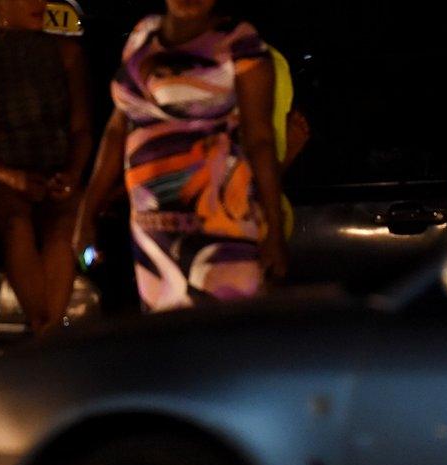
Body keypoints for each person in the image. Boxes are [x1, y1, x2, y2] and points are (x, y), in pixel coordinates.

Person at [73, 0, 288, 312]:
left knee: (223, 338)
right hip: (152, 227)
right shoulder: (142, 35)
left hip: (218, 223)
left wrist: (274, 228)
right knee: (169, 344)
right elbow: (116, 131)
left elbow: (260, 140)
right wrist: (87, 211)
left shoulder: (237, 42)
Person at [0, 0, 93, 334]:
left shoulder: (67, 55)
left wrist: (71, 172)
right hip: (2, 183)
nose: (38, 3)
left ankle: (45, 330)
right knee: (17, 227)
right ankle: (46, 329)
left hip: (57, 173)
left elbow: (81, 130)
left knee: (62, 232)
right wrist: (15, 178)